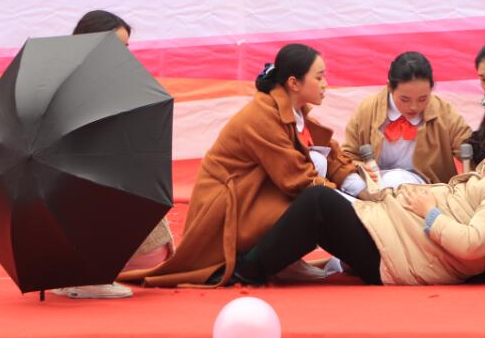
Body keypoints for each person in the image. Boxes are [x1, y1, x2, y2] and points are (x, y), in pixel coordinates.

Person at [119, 43, 368, 287]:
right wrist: (355, 206)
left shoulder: (295, 112)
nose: (326, 84)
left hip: (256, 197)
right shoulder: (262, 116)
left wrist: (360, 188)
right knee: (314, 206)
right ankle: (267, 261)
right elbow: (296, 179)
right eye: (319, 77)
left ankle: (287, 259)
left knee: (320, 183)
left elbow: (331, 154)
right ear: (294, 83)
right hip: (230, 209)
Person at [230, 135, 485, 286]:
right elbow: (349, 145)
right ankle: (255, 258)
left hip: (396, 254)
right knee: (319, 195)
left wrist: (430, 212)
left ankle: (249, 268)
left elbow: (472, 244)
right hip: (393, 231)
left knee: (318, 202)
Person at [51, 10, 174, 300]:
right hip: (79, 187)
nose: (124, 56)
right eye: (115, 47)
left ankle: (86, 269)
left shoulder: (108, 83)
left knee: (156, 255)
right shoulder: (72, 86)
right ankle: (86, 274)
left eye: (126, 48)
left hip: (107, 187)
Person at [343, 52, 473, 188]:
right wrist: (362, 167)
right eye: (405, 99)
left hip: (427, 189)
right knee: (348, 182)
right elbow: (347, 156)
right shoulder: (367, 110)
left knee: (395, 180)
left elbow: (469, 149)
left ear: (431, 88)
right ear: (390, 87)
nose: (414, 107)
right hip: (374, 185)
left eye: (423, 99)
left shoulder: (444, 113)